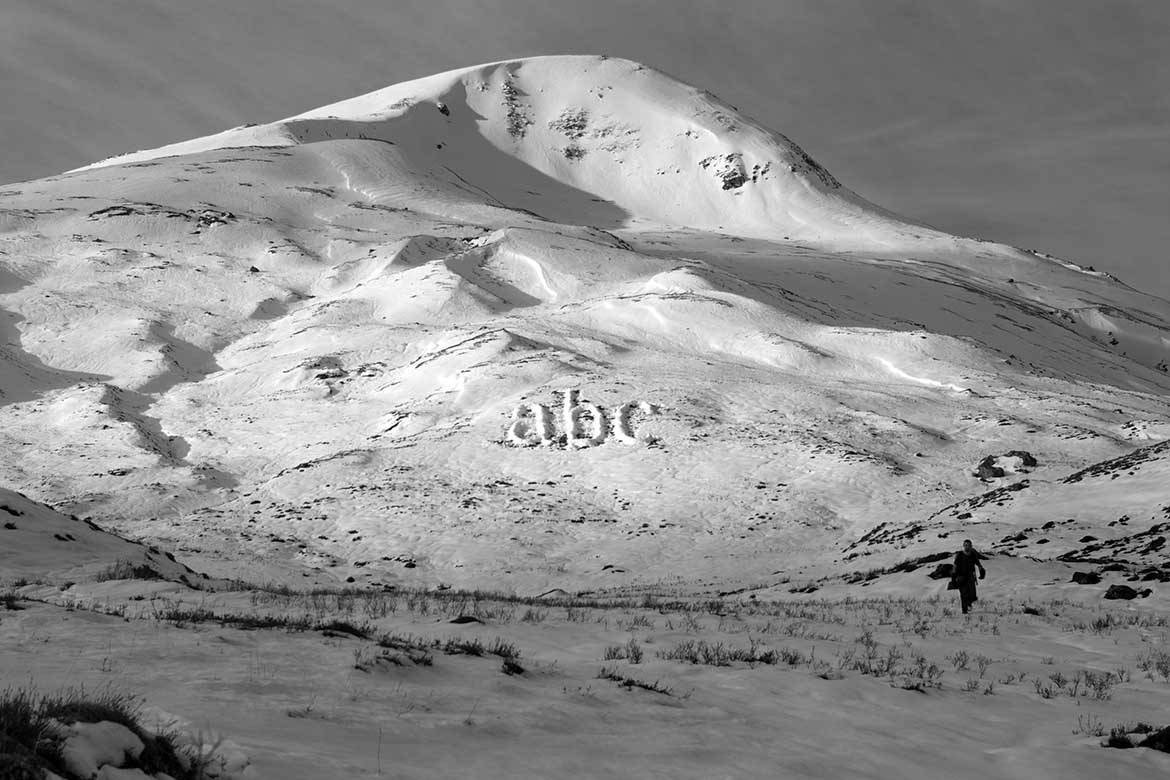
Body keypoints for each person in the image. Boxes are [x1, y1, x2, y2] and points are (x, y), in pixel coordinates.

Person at [951, 539, 987, 614]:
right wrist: (953, 578)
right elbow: (955, 567)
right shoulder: (959, 555)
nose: (967, 547)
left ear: (971, 546)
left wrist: (982, 571)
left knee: (972, 595)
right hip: (961, 577)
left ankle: (968, 604)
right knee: (964, 594)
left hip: (971, 577)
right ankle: (964, 611)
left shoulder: (973, 555)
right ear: (963, 546)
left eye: (969, 545)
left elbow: (978, 564)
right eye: (965, 545)